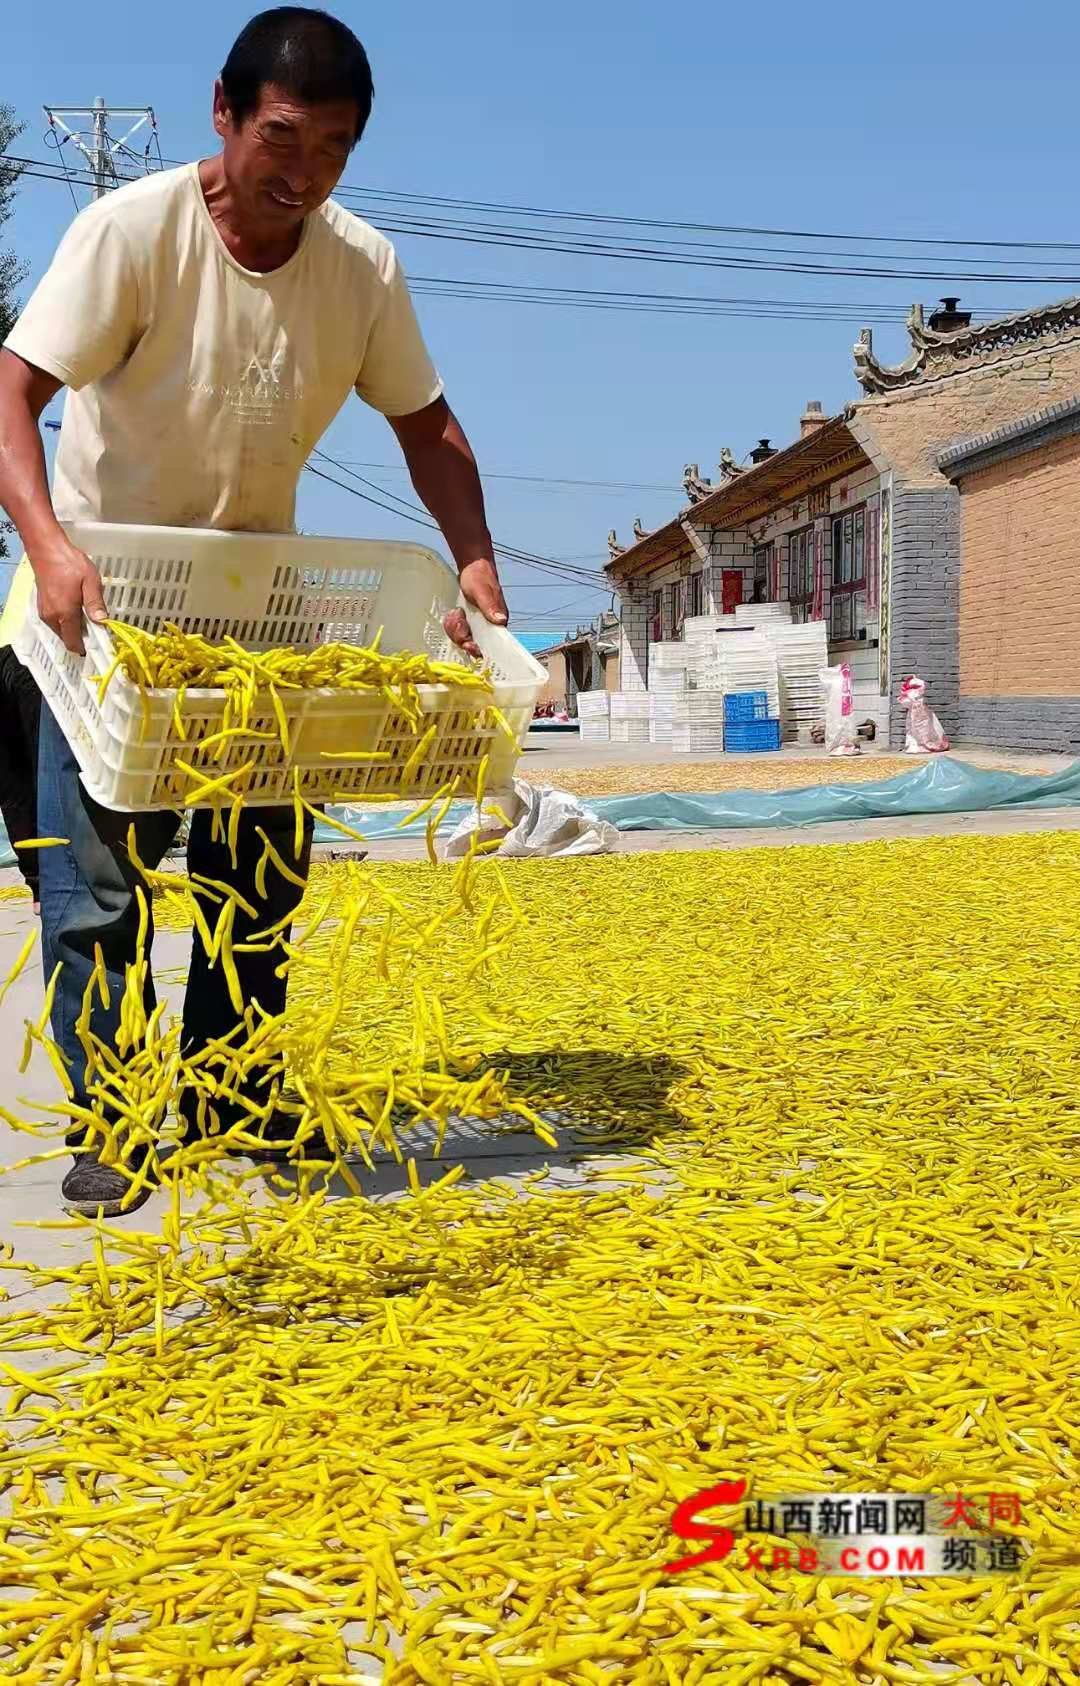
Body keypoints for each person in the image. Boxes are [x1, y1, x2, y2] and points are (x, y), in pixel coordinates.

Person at [0, 6, 509, 1218]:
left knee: (257, 884)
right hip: (102, 621)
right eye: (286, 137)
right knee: (99, 894)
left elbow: (427, 426)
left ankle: (232, 1096)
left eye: (335, 150)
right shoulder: (135, 232)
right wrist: (50, 548)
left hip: (256, 629)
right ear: (225, 115)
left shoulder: (360, 268)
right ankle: (113, 1122)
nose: (306, 172)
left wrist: (478, 565)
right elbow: (13, 390)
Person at [0, 564, 41, 909]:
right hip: (39, 649)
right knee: (48, 780)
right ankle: (46, 886)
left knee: (15, 786)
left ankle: (41, 888)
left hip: (10, 642)